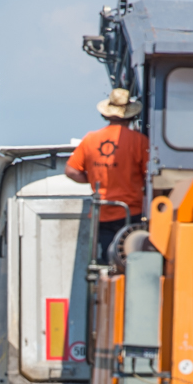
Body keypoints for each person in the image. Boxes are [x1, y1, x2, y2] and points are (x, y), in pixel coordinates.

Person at [66, 87, 150, 259]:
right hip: (131, 212)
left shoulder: (90, 139)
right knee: (131, 258)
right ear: (130, 114)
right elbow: (150, 176)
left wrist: (93, 178)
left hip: (102, 211)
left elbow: (71, 170)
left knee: (107, 259)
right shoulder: (139, 141)